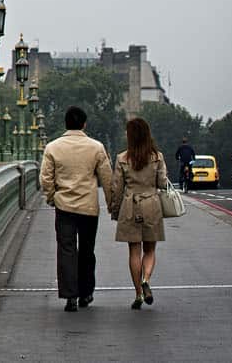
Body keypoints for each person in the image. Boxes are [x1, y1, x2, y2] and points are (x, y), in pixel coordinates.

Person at [40, 105, 114, 312]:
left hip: (64, 206)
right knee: (87, 251)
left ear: (65, 124)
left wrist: (51, 197)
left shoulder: (53, 147)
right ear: (84, 124)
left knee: (66, 250)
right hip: (88, 206)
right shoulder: (96, 147)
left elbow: (46, 178)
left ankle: (70, 296)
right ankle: (86, 292)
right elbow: (107, 179)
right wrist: (111, 204)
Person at [109, 116, 167, 310]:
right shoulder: (157, 157)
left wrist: (115, 210)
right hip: (151, 204)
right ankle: (146, 279)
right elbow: (162, 183)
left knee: (134, 251)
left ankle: (138, 294)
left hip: (130, 205)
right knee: (150, 249)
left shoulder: (122, 158)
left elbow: (117, 188)